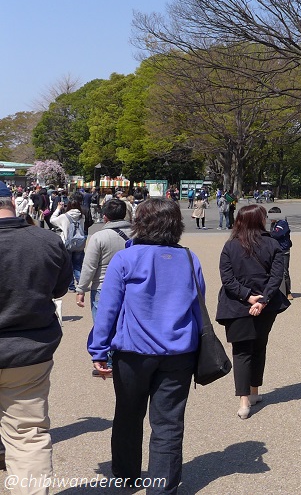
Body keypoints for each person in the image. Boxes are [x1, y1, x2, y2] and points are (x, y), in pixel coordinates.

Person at [87, 197, 204, 494]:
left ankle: (126, 475)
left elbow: (108, 310)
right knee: (169, 424)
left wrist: (99, 349)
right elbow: (197, 306)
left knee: (128, 414)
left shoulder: (126, 258)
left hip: (133, 352)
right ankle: (162, 488)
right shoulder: (190, 259)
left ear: (140, 223)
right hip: (179, 352)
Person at [0, 183, 72, 495]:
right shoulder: (46, 241)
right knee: (27, 435)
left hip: (26, 352)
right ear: (13, 202)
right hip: (29, 353)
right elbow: (59, 289)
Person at [216, 204, 289, 419]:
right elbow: (277, 277)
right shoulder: (272, 244)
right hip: (267, 305)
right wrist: (263, 300)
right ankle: (254, 391)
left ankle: (244, 400)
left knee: (242, 352)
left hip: (237, 305)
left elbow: (227, 278)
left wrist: (247, 296)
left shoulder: (230, 246)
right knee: (259, 346)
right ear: (260, 220)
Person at [76, 199, 132, 329]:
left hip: (103, 285)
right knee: (126, 327)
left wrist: (81, 289)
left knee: (103, 329)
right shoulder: (138, 234)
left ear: (105, 216)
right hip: (131, 285)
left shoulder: (99, 237)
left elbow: (89, 266)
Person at [50, 196, 89, 293]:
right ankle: (81, 285)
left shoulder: (64, 217)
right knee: (78, 266)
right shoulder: (82, 216)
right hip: (79, 244)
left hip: (67, 244)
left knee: (68, 266)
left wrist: (58, 209)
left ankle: (71, 287)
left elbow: (52, 220)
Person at [269, 217, 294, 300]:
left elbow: (276, 234)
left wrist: (267, 234)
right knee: (272, 271)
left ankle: (288, 291)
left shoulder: (282, 223)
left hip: (283, 250)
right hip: (273, 249)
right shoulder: (273, 224)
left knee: (284, 272)